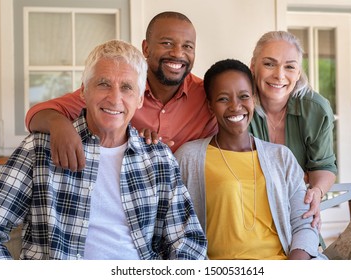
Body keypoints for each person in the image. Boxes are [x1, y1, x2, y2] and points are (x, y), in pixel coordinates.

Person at [0, 40, 207, 260]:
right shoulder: (39, 149)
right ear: (84, 91)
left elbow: (188, 243)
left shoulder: (159, 158)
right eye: (103, 84)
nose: (115, 99)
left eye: (126, 87)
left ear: (140, 98)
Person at [24, 11, 217, 171]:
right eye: (167, 43)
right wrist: (60, 126)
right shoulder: (116, 89)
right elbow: (37, 114)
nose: (177, 53)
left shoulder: (207, 95)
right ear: (146, 48)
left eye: (187, 46)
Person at [175, 59, 326, 260]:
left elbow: (305, 222)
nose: (235, 106)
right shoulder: (189, 157)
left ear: (253, 99)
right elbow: (175, 228)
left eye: (243, 96)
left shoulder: (281, 157)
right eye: (223, 99)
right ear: (210, 106)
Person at [248, 31, 337, 228]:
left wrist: (316, 191)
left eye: (289, 67)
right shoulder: (240, 107)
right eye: (269, 64)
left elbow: (323, 166)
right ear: (253, 66)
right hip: (249, 210)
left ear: (298, 73)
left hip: (296, 210)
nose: (279, 75)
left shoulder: (315, 109)